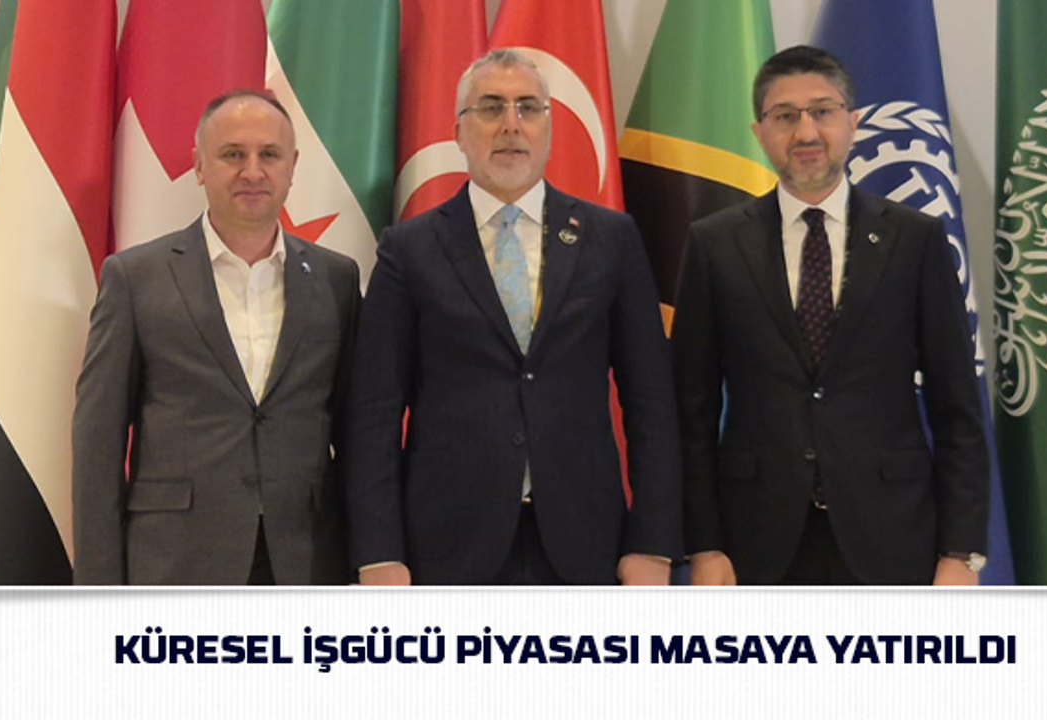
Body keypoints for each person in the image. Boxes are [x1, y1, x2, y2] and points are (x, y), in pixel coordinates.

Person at [346, 50, 680, 585]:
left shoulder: (610, 239)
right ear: (458, 132)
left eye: (528, 107)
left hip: (586, 543)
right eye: (490, 108)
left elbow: (652, 401)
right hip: (445, 547)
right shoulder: (409, 249)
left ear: (548, 126)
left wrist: (654, 544)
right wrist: (379, 553)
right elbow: (374, 412)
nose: (510, 124)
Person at [672, 46, 989, 586]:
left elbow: (957, 407)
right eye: (785, 116)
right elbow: (691, 411)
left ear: (852, 122)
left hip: (894, 536)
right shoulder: (715, 244)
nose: (806, 132)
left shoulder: (915, 239)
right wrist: (704, 544)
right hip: (755, 542)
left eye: (822, 111)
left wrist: (961, 553)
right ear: (759, 132)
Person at [72, 90, 360, 585]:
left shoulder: (337, 278)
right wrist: (99, 588)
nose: (253, 171)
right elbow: (98, 441)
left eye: (269, 154)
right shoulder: (135, 279)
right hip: (176, 562)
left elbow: (356, 432)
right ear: (199, 166)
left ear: (293, 167)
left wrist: (368, 558)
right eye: (232, 154)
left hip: (307, 561)